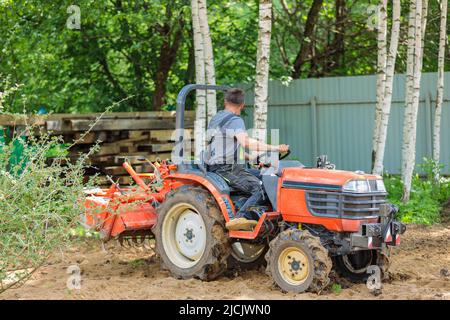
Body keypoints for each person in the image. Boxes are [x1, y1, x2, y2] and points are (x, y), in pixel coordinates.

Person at [205, 88, 289, 231]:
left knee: (270, 176)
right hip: (225, 168)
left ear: (225, 102)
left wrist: (251, 158)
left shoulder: (216, 118)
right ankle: (239, 218)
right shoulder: (235, 120)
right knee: (261, 187)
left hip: (221, 166)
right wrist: (275, 147)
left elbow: (224, 147)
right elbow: (246, 143)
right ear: (242, 105)